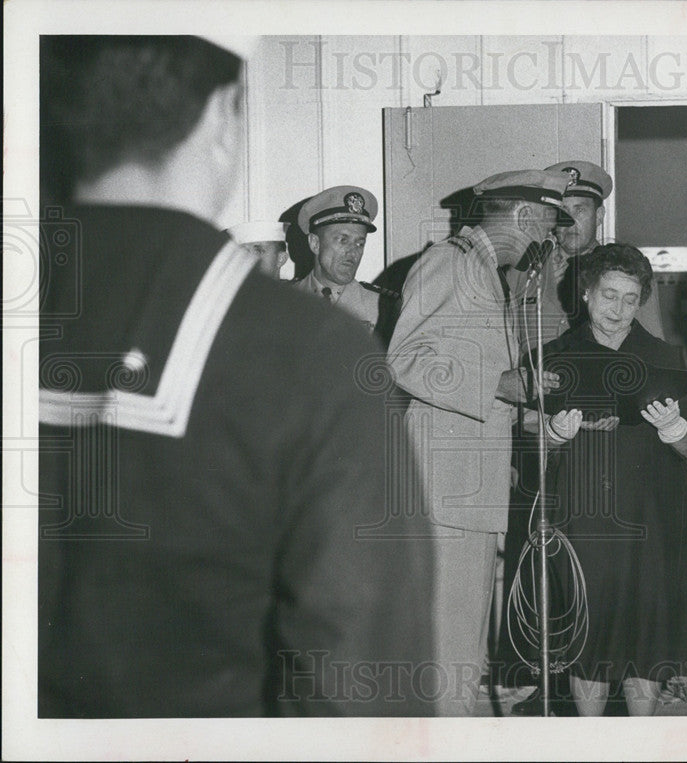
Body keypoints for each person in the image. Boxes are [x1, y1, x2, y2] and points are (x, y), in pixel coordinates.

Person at [37, 35, 435, 717]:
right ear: (224, 115)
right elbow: (364, 679)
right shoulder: (312, 352)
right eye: (343, 237)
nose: (354, 248)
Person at [386, 169, 574, 715]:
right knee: (451, 654)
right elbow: (405, 359)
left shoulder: (489, 276)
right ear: (524, 216)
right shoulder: (449, 264)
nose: (550, 238)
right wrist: (499, 384)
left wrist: (525, 400)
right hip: (445, 497)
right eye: (547, 224)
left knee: (462, 648)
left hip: (467, 494)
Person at [534, 244, 687, 716]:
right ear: (587, 293)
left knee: (647, 638)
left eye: (630, 299)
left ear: (642, 301)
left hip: (652, 519)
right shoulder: (553, 357)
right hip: (582, 519)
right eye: (608, 295)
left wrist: (677, 431)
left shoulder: (662, 357)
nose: (617, 310)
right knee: (586, 638)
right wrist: (550, 435)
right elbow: (520, 447)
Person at [508, 160, 665, 356]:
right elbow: (507, 347)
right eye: (562, 211)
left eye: (580, 210)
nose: (570, 221)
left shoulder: (629, 272)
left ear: (599, 216)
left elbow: (651, 349)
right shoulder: (524, 272)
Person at [294, 185, 399, 334]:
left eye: (360, 243)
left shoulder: (384, 308)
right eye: (343, 240)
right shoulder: (282, 301)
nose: (353, 252)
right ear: (315, 243)